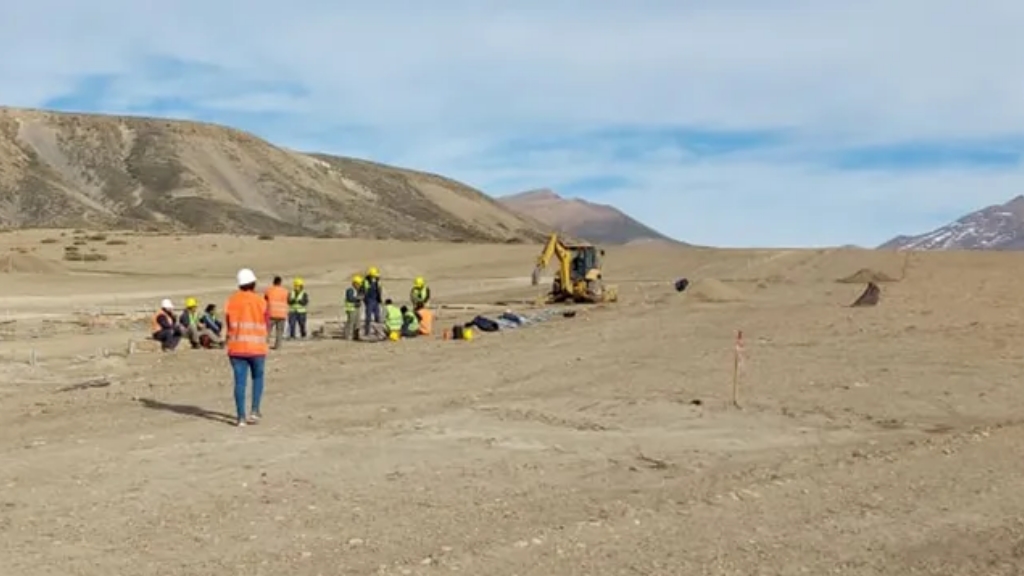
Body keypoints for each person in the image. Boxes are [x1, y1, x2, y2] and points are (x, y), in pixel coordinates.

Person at [225, 268, 269, 427]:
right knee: (257, 378)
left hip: (236, 348)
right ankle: (255, 410)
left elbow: (229, 323)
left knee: (239, 383)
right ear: (254, 283)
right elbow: (267, 322)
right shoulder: (261, 301)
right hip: (257, 348)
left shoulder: (231, 301)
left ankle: (240, 417)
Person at [264, 276, 289, 349]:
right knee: (279, 331)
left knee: (267, 331)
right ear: (280, 282)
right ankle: (278, 346)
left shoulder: (269, 290)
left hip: (271, 313)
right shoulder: (285, 291)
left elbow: (265, 300)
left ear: (273, 282)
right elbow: (288, 300)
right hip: (282, 314)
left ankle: (264, 345)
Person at [362, 267, 383, 336]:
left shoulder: (377, 280)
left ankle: (378, 331)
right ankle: (367, 332)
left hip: (376, 300)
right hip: (369, 300)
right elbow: (364, 291)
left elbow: (379, 290)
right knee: (368, 317)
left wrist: (380, 299)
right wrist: (366, 300)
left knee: (377, 316)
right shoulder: (366, 281)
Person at [343, 274, 364, 340]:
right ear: (355, 283)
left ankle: (356, 336)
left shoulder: (358, 290)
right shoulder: (350, 290)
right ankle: (348, 336)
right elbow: (350, 298)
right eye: (358, 284)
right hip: (351, 308)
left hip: (357, 308)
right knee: (351, 322)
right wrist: (358, 298)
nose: (359, 285)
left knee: (357, 323)